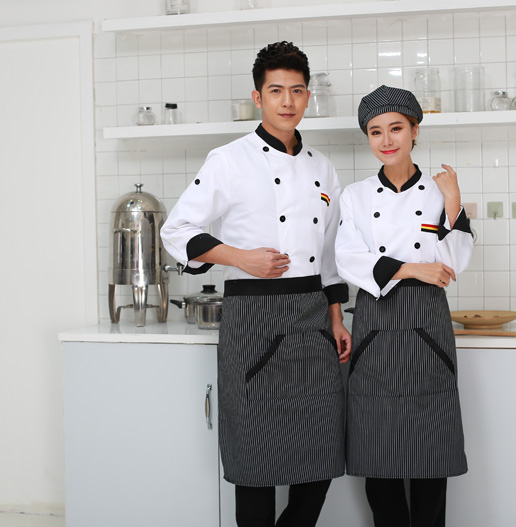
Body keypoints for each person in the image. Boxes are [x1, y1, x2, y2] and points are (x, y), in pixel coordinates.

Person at [160, 41, 351, 527]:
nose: (287, 101)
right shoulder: (229, 159)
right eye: (276, 91)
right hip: (253, 321)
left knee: (322, 450)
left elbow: (330, 254)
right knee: (255, 459)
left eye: (297, 91)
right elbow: (176, 231)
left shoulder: (323, 167)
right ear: (257, 97)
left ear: (308, 97)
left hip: (312, 318)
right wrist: (241, 258)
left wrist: (336, 319)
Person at [335, 85, 473, 527]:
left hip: (427, 328)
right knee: (379, 462)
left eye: (396, 128)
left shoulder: (438, 192)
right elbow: (348, 259)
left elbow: (454, 263)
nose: (386, 140)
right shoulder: (355, 196)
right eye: (375, 131)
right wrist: (413, 268)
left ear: (415, 130)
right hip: (375, 329)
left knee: (431, 459)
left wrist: (452, 202)